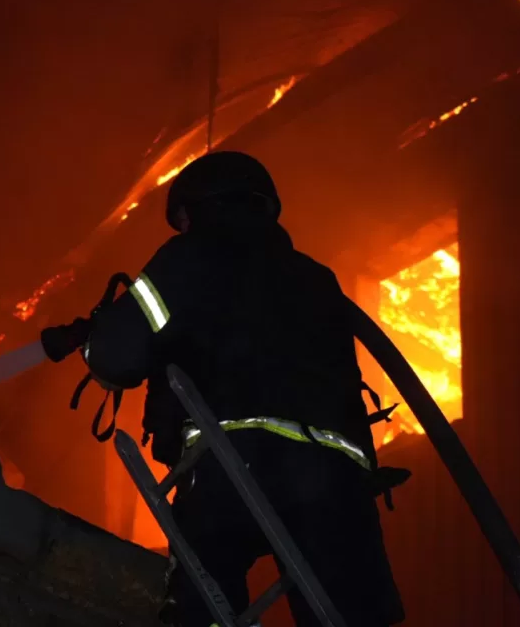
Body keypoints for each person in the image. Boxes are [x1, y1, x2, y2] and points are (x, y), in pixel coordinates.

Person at [42, 151, 405, 627]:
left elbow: (118, 355)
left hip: (234, 467)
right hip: (337, 483)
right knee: (351, 615)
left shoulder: (191, 256)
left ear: (207, 206)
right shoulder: (318, 279)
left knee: (204, 606)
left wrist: (96, 339)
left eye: (186, 216)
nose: (183, 227)